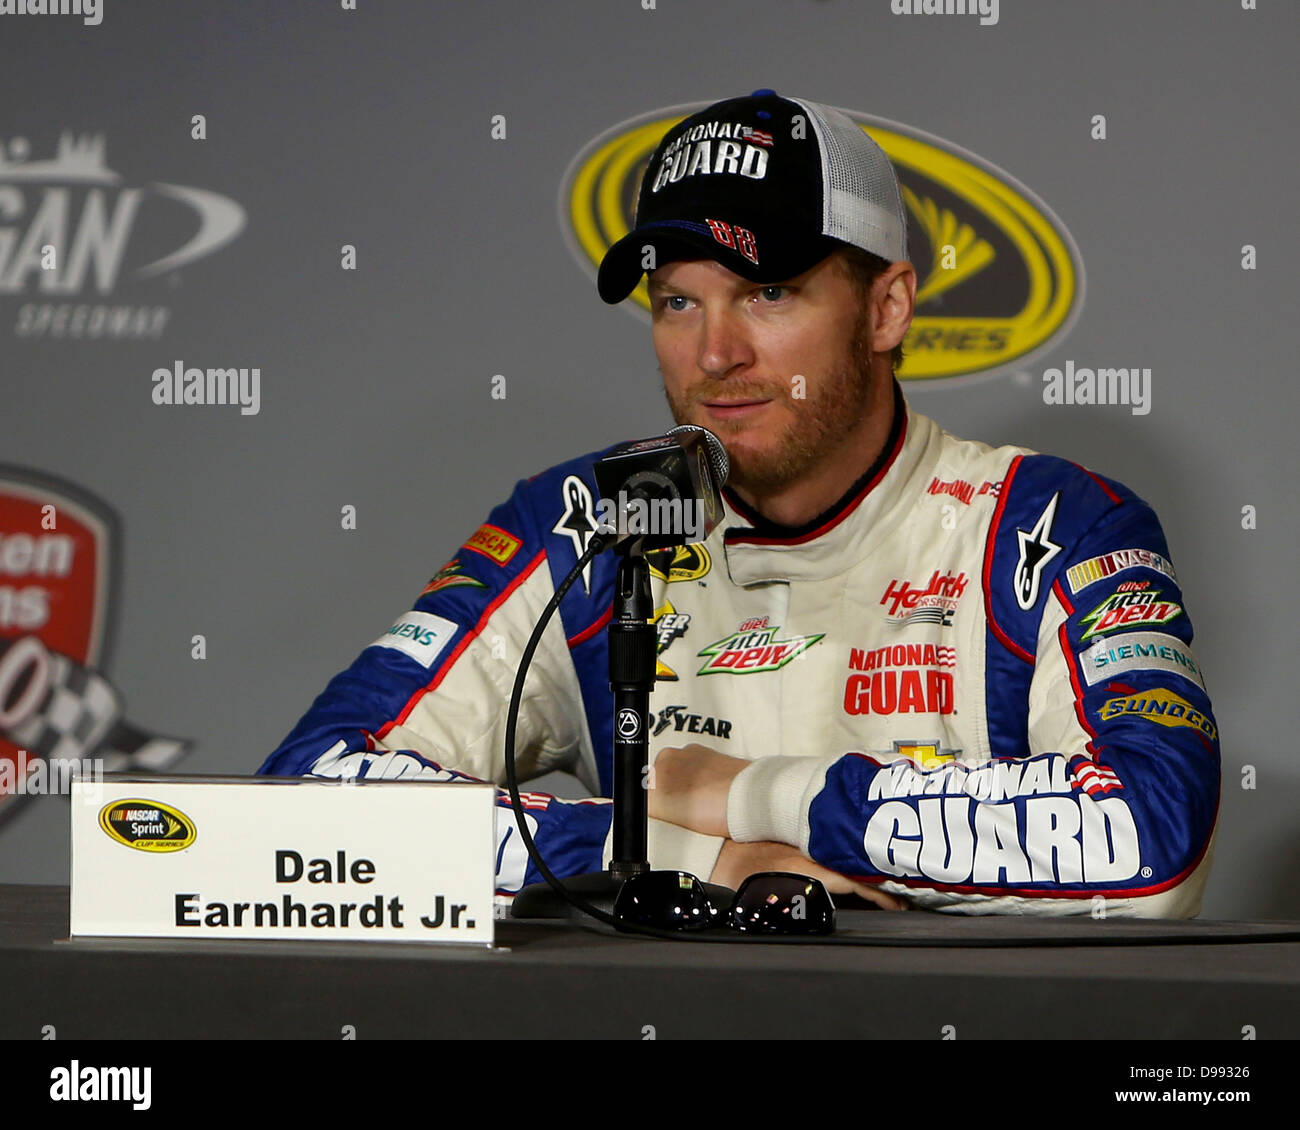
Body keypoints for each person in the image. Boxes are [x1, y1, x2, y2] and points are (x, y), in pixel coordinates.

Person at [259, 91, 1219, 916]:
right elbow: (303, 804)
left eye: (767, 293)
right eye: (678, 302)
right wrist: (697, 864)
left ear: (887, 309)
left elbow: (1151, 841)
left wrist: (752, 797)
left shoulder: (1048, 523)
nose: (715, 355)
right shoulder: (589, 520)